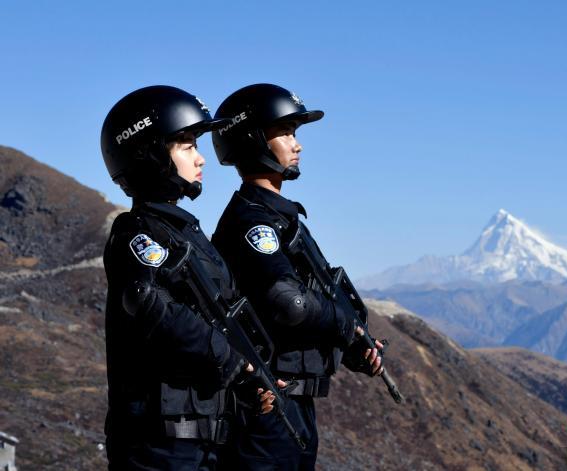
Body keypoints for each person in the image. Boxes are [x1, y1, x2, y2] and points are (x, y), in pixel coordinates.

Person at [100, 85, 277, 470]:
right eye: (186, 144)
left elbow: (219, 318)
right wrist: (234, 363)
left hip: (203, 441)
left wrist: (247, 381)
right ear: (149, 153)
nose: (201, 158)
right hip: (158, 447)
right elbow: (160, 314)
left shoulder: (189, 236)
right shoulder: (137, 234)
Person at [211, 83, 384, 470]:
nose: (297, 144)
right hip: (267, 407)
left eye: (296, 133)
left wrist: (353, 349)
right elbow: (289, 303)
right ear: (253, 139)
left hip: (291, 402)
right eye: (286, 132)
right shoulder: (253, 221)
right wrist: (346, 326)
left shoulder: (280, 218)